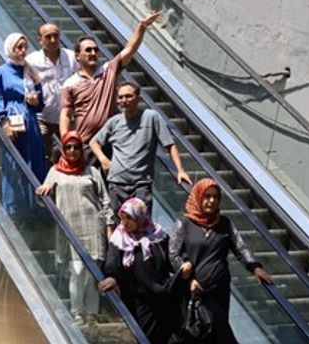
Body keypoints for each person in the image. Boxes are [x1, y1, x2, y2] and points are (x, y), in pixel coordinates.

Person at [169, 179, 274, 344]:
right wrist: (187, 274)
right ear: (198, 196)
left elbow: (240, 247)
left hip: (218, 291)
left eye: (215, 197)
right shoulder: (184, 223)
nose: (211, 201)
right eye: (207, 196)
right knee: (193, 332)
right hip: (191, 291)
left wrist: (255, 267)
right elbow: (173, 253)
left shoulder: (225, 224)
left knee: (217, 333)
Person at [0, 23, 78, 163]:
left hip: (67, 117)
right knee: (41, 155)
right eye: (48, 37)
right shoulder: (33, 60)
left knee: (71, 153)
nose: (53, 40)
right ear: (40, 40)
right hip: (43, 117)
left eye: (56, 36)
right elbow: (6, 72)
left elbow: (86, 70)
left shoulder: (71, 57)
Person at [35, 131, 112, 325]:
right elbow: (44, 200)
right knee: (77, 271)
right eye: (68, 147)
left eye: (76, 147)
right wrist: (43, 193)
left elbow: (104, 199)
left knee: (93, 273)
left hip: (93, 226)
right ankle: (77, 311)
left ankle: (92, 313)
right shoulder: (55, 171)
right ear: (62, 149)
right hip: (70, 228)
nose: (72, 151)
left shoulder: (91, 171)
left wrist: (109, 224)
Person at [90, 81, 192, 217]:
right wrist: (103, 159)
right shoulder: (114, 122)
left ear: (139, 98)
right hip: (116, 182)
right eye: (120, 97)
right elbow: (94, 142)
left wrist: (180, 170)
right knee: (119, 226)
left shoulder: (151, 117)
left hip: (141, 184)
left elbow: (169, 145)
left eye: (128, 96)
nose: (123, 101)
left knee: (141, 224)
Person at [60, 11, 162, 146]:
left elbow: (129, 49)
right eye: (88, 50)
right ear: (77, 56)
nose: (93, 53)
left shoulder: (108, 70)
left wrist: (142, 27)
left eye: (96, 50)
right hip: (84, 143)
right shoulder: (70, 84)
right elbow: (66, 115)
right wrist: (66, 141)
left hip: (112, 141)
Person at [98, 198, 180, 342]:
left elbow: (170, 260)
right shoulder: (119, 238)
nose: (125, 222)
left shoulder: (158, 235)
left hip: (161, 298)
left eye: (129, 218)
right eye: (123, 218)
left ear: (140, 217)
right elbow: (113, 262)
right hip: (136, 301)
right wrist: (112, 277)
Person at [0, 33, 46, 219]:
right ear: (10, 49)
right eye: (18, 47)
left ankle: (35, 209)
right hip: (13, 122)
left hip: (30, 122)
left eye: (24, 47)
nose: (22, 51)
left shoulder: (31, 73)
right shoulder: (1, 72)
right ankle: (14, 209)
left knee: (34, 160)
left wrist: (36, 101)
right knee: (14, 163)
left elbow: (41, 103)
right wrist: (3, 122)